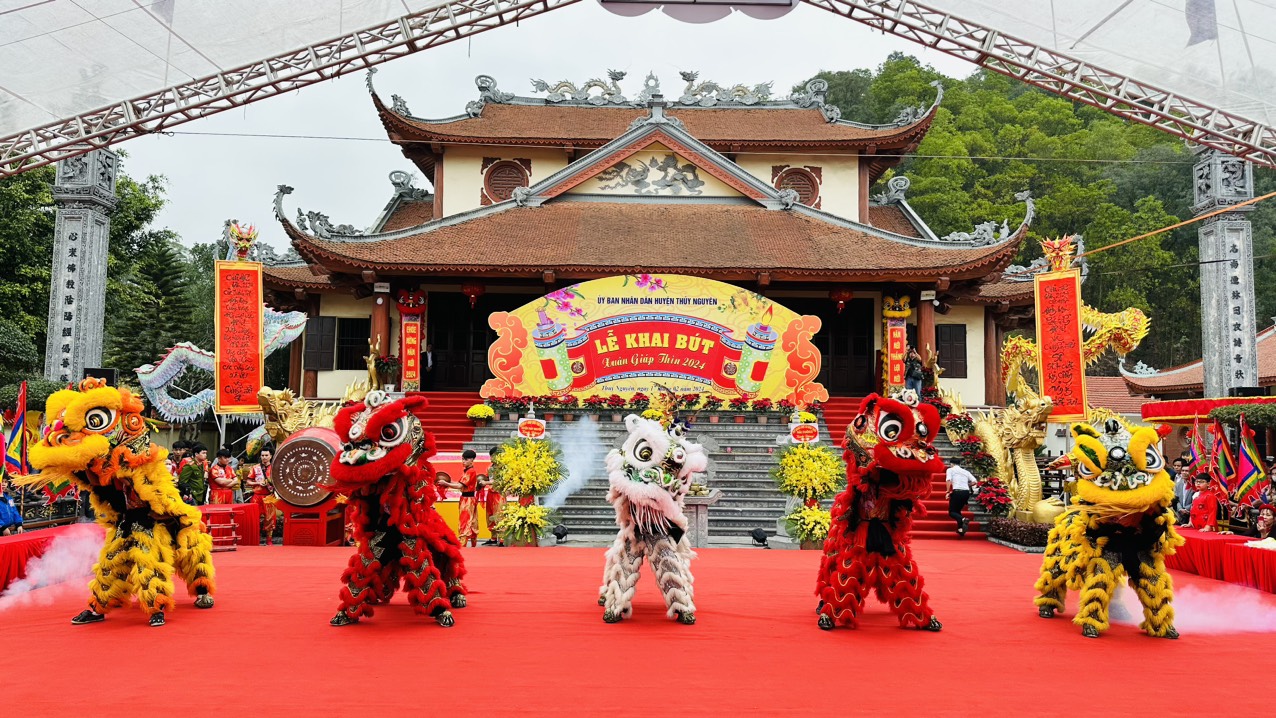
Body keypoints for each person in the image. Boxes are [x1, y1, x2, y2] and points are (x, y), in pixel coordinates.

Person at [439, 449, 479, 547]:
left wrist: (446, 483)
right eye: (462, 459)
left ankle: (463, 544)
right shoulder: (468, 471)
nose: (463, 461)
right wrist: (448, 482)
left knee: (465, 521)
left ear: (472, 460)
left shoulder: (471, 471)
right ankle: (473, 545)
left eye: (466, 459)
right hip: (469, 499)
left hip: (467, 500)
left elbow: (459, 486)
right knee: (473, 521)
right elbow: (459, 484)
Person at [245, 447, 278, 545]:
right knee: (255, 518)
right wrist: (257, 482)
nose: (264, 457)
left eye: (266, 455)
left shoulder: (275, 468)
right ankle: (255, 538)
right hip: (257, 496)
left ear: (271, 456)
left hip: (269, 496)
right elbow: (248, 481)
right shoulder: (255, 468)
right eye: (262, 455)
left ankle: (269, 540)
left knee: (270, 518)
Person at [945, 456, 976, 536]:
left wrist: (948, 491)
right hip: (966, 493)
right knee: (957, 511)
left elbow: (948, 480)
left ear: (951, 464)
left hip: (957, 492)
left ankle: (963, 519)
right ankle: (960, 529)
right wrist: (966, 484)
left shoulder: (950, 470)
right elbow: (974, 481)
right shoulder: (965, 472)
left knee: (952, 512)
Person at [481, 446, 504, 547]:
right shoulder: (489, 467)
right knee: (490, 515)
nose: (491, 459)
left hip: (499, 495)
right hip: (490, 494)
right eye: (490, 456)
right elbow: (486, 477)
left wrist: (485, 482)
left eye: (493, 456)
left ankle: (502, 539)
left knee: (500, 516)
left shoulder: (503, 468)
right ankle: (493, 537)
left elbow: (498, 481)